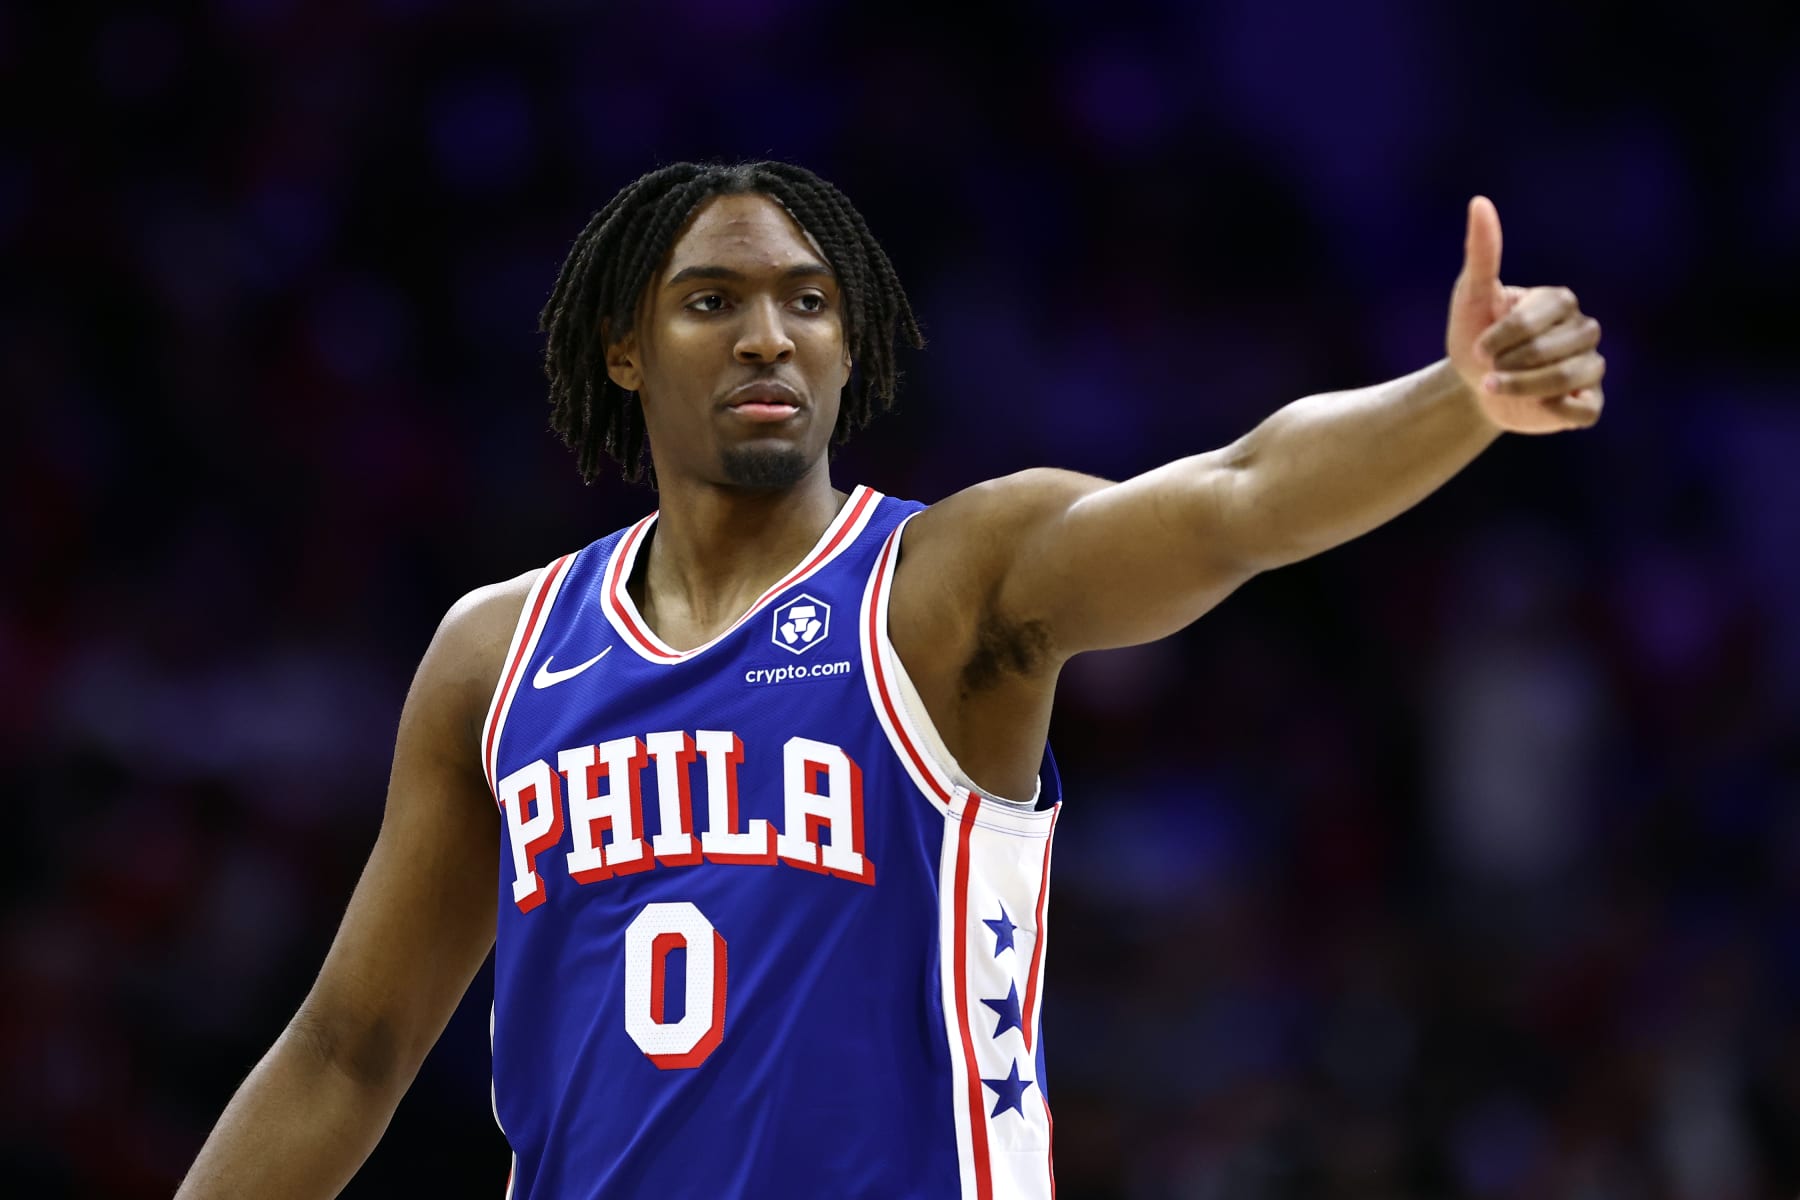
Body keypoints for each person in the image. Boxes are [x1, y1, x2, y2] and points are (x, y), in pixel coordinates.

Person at [175, 160, 1605, 1199]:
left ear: (848, 351)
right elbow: (348, 1051)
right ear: (624, 350)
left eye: (808, 300)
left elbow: (1238, 495)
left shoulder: (948, 590)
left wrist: (1455, 400)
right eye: (710, 299)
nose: (766, 334)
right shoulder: (499, 653)